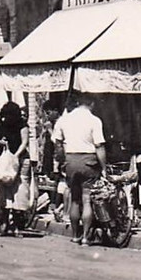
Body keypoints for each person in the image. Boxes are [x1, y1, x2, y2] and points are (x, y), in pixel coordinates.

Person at [52, 100, 108, 246]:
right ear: (92, 103)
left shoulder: (63, 120)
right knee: (87, 199)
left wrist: (62, 161)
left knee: (75, 200)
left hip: (70, 160)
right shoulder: (94, 121)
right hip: (89, 161)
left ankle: (75, 235)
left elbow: (57, 144)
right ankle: (85, 237)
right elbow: (99, 146)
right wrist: (104, 168)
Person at [0, 101, 30, 236]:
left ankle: (18, 225)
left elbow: (24, 142)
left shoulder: (22, 125)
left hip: (21, 159)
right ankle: (4, 223)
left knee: (19, 191)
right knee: (3, 191)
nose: (7, 119)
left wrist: (16, 156)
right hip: (3, 160)